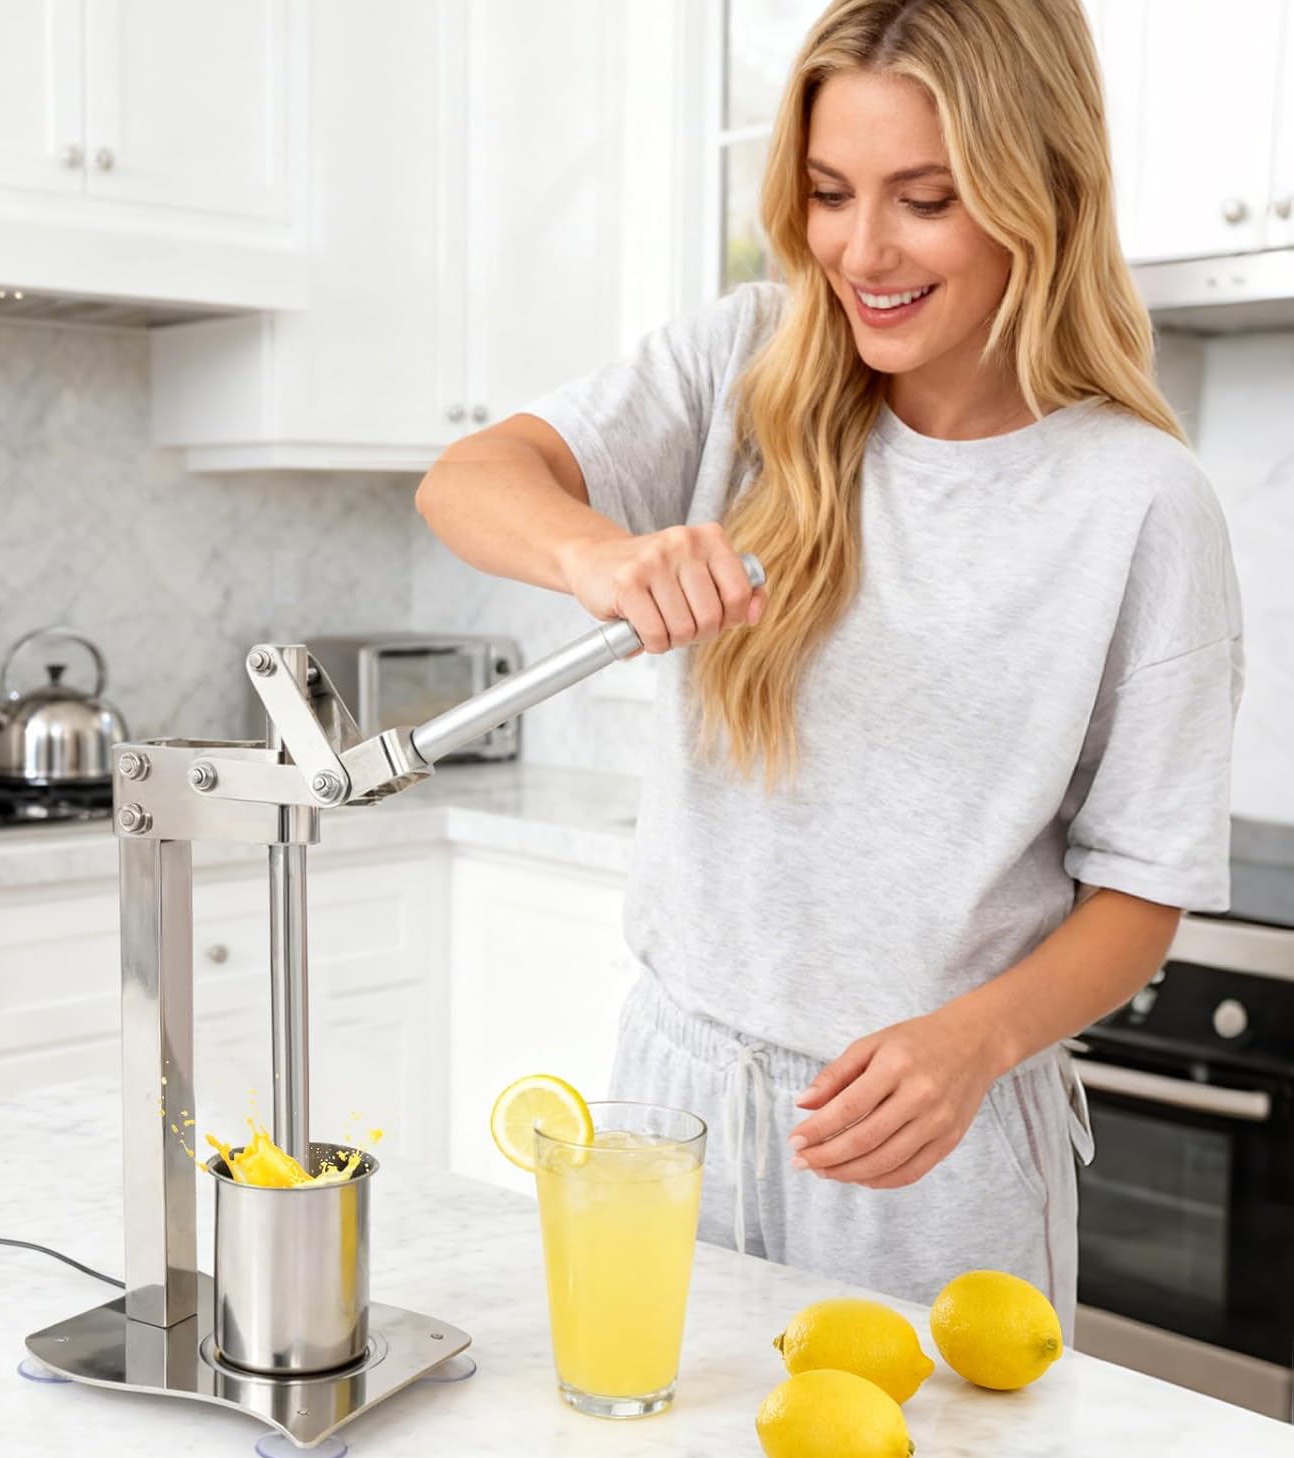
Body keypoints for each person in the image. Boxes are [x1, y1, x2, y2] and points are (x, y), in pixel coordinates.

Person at [414, 0, 1242, 1341]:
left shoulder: (1139, 503)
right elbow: (469, 478)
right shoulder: (744, 365)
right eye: (828, 193)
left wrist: (977, 1040)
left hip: (927, 1145)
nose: (862, 251)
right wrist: (598, 556)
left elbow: (1143, 887)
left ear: (1042, 191)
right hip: (673, 1107)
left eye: (926, 199)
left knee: (917, 1447)